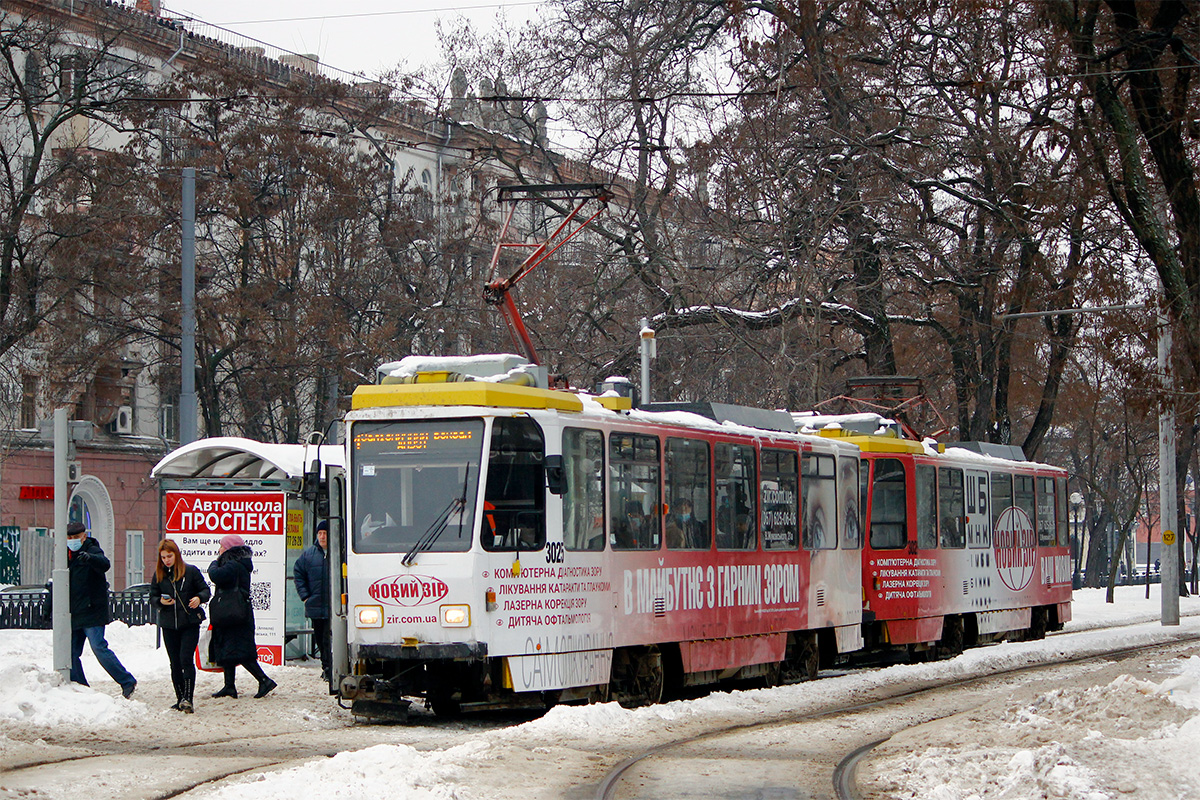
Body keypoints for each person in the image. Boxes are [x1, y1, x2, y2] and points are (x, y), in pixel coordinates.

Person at [64, 521, 137, 698]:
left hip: (92, 611)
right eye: (69, 537)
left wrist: (90, 558)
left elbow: (104, 564)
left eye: (76, 537)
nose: (72, 540)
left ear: (84, 536)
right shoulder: (65, 555)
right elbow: (58, 582)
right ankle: (80, 686)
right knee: (70, 653)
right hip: (74, 612)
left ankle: (126, 681)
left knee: (99, 648)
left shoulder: (92, 550)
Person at [207, 534, 276, 699]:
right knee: (228, 649)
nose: (219, 550)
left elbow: (216, 575)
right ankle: (229, 686)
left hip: (234, 613)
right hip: (234, 612)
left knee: (240, 651)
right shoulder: (238, 563)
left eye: (222, 546)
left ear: (228, 549)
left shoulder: (233, 564)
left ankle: (264, 680)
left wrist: (214, 563)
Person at [150, 538, 210, 713]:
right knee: (174, 662)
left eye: (169, 556)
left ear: (176, 555)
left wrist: (198, 598)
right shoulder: (159, 575)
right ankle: (180, 698)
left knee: (186, 659)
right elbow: (152, 596)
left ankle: (188, 698)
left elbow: (205, 590)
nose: (167, 560)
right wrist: (160, 601)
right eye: (163, 557)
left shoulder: (190, 571)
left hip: (189, 622)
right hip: (169, 624)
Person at [293, 520, 331, 682]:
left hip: (335, 608)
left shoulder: (340, 553)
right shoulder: (309, 555)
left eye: (325, 533)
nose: (322, 537)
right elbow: (298, 573)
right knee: (321, 639)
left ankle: (332, 668)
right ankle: (326, 667)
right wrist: (305, 596)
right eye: (320, 533)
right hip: (316, 606)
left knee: (330, 639)